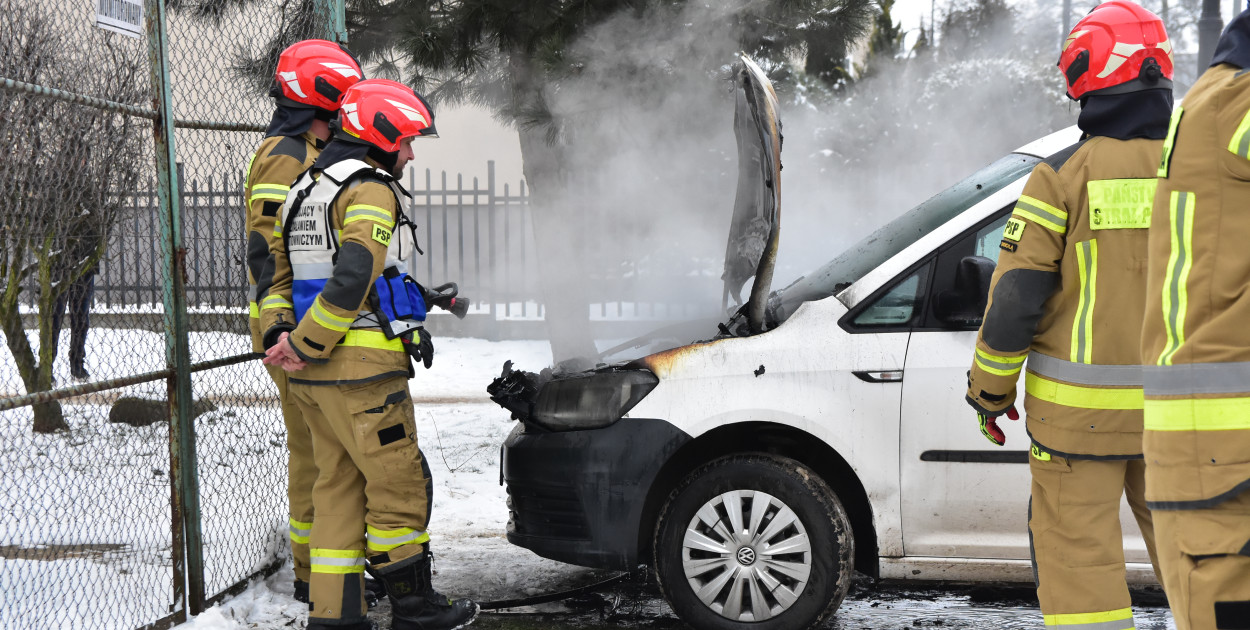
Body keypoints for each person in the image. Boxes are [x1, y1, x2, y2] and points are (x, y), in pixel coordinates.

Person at [964, 2, 1173, 627]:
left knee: (1080, 573)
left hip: (1077, 424)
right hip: (1181, 416)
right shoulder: (1201, 172)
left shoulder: (1061, 179)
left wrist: (989, 394)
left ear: (1091, 74)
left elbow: (1014, 299)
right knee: (1201, 560)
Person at [260, 78, 478, 630]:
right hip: (362, 377)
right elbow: (354, 275)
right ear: (379, 136)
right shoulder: (369, 188)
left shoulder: (303, 189)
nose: (407, 153)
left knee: (335, 489)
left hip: (312, 383)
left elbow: (276, 279)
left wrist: (282, 340)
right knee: (396, 484)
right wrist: (308, 344)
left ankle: (335, 616)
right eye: (405, 141)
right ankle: (414, 607)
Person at [1140, 10, 1250, 629]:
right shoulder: (1234, 107)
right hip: (1223, 457)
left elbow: (1015, 296)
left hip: (1203, 451)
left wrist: (989, 392)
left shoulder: (1209, 106)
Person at [245, 38, 363, 604]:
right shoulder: (288, 153)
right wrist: (281, 326)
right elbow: (267, 246)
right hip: (288, 323)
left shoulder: (308, 148)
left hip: (305, 319)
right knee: (316, 450)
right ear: (322, 98)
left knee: (323, 447)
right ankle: (312, 571)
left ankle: (320, 566)